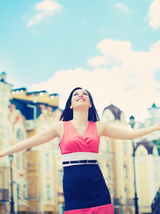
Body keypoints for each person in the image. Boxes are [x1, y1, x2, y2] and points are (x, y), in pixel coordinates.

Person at [0, 87, 159, 214]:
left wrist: (157, 126)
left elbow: (131, 135)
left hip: (96, 183)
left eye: (85, 94)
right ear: (71, 104)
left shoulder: (99, 126)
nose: (80, 95)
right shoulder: (60, 127)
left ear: (90, 103)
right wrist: (2, 153)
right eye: (76, 94)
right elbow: (29, 141)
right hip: (73, 185)